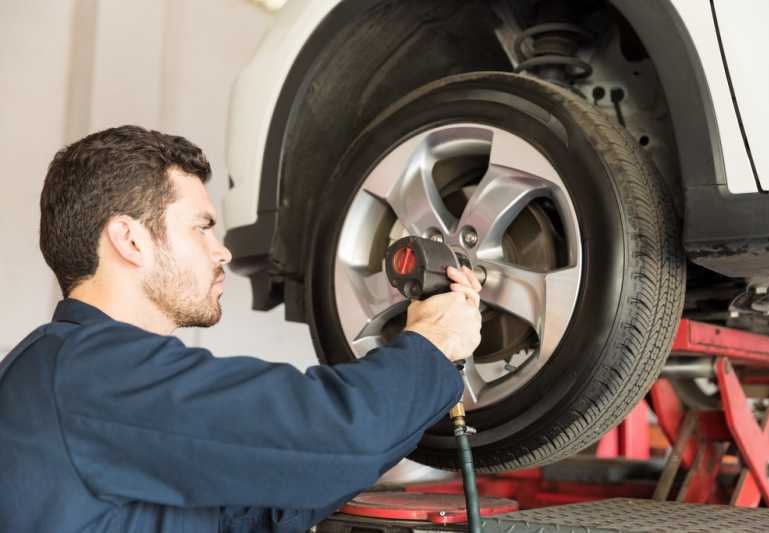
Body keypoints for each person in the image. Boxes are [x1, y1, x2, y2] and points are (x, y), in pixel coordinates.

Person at [0, 125, 483, 533]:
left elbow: (250, 513)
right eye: (201, 227)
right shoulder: (93, 374)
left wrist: (405, 398)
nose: (221, 251)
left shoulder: (70, 376)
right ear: (130, 239)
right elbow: (333, 434)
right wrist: (431, 345)